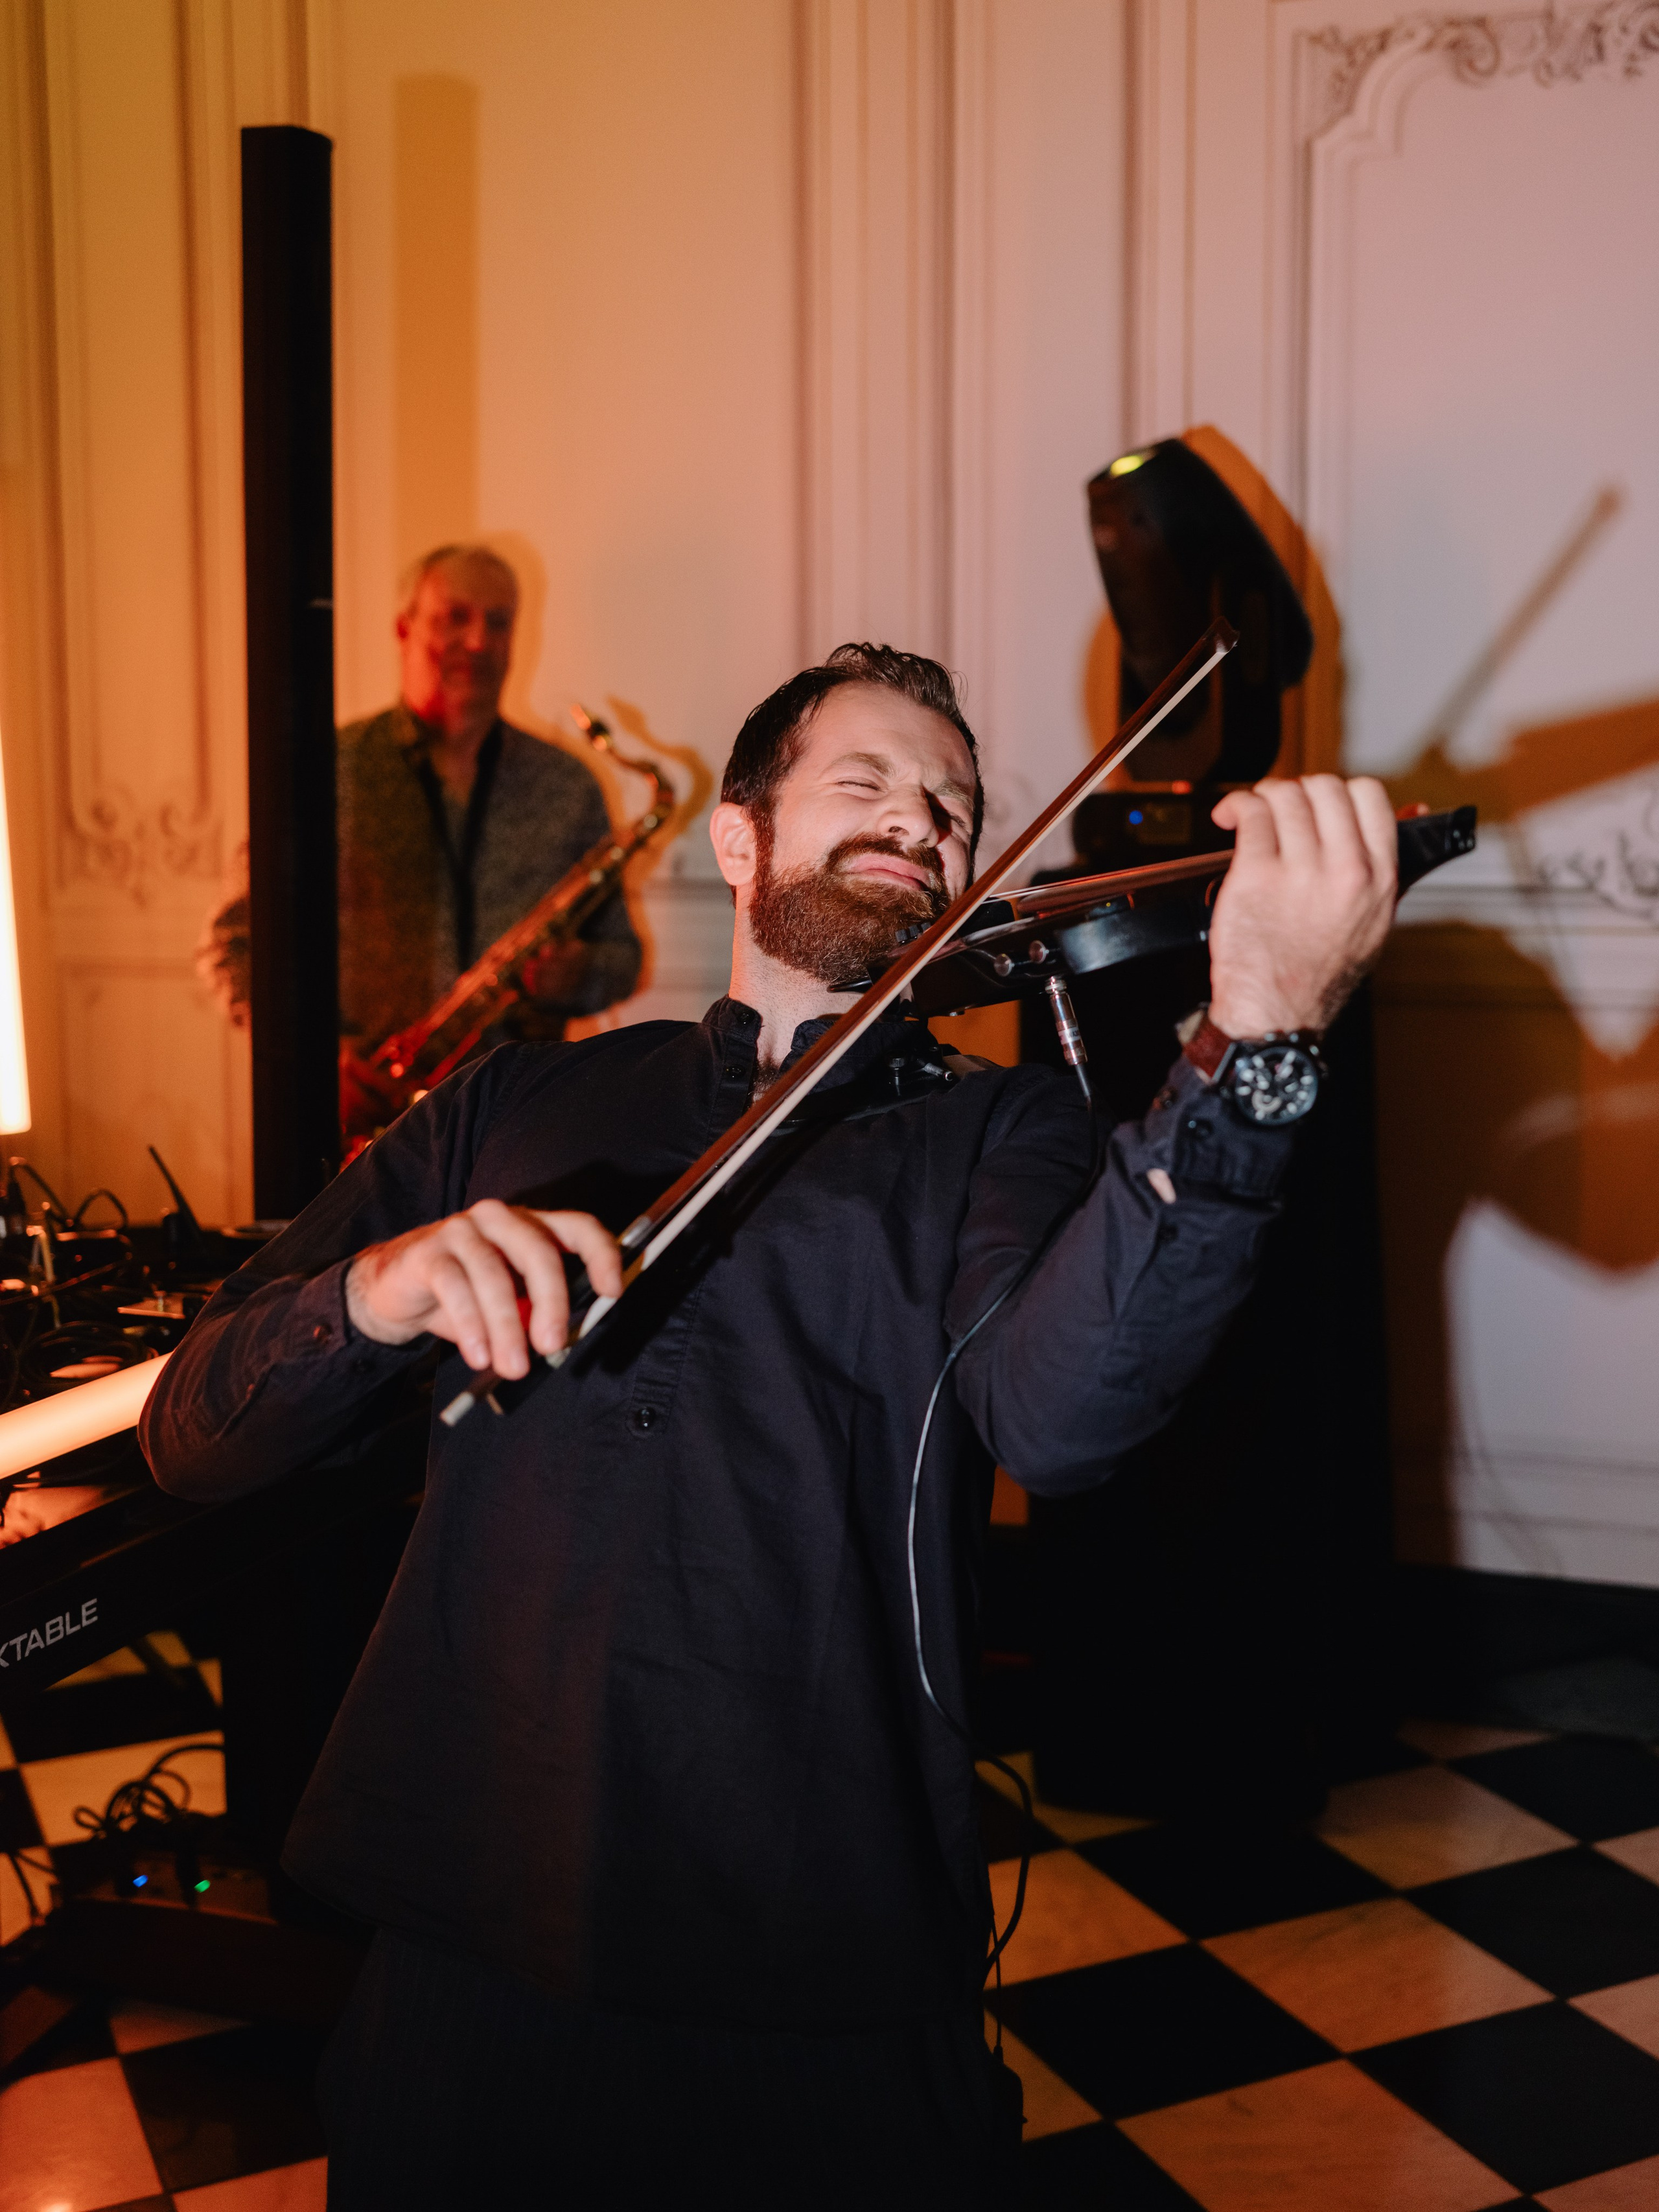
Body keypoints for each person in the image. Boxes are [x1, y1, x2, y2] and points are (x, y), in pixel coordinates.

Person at [143, 643, 1398, 2209]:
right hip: (473, 1910)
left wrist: (1255, 1038)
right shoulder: (515, 1101)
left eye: (949, 807)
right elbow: (195, 1430)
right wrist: (379, 1293)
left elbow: (1064, 1415)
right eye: (861, 784)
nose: (919, 825)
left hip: (816, 1930)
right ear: (735, 841)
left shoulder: (1001, 1130)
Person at [199, 544, 644, 1128]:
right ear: (404, 627)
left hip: (514, 1120)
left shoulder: (566, 785)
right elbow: (233, 947)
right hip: (361, 1123)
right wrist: (316, 1065)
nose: (480, 642)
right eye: (454, 617)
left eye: (499, 622)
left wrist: (581, 971)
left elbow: (623, 957)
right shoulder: (324, 771)